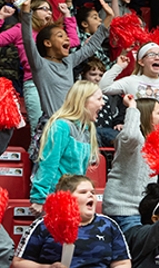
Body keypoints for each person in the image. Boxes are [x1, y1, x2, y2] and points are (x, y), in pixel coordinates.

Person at [0, 0, 80, 135]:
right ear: (32, 12)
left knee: (62, 128)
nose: (49, 12)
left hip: (56, 84)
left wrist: (67, 15)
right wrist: (0, 17)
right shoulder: (19, 29)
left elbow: (74, 41)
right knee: (39, 131)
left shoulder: (52, 32)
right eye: (44, 9)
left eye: (50, 9)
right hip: (33, 84)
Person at [20, 0, 112, 119]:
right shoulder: (40, 64)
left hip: (71, 122)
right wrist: (26, 10)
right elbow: (27, 40)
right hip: (53, 124)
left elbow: (90, 47)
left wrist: (109, 17)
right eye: (60, 36)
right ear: (48, 43)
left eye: (66, 36)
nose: (67, 38)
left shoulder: (68, 61)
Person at [13, 174, 131, 268]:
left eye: (93, 192)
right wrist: (47, 267)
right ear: (66, 197)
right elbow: (18, 263)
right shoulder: (44, 224)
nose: (91, 195)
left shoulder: (109, 225)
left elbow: (122, 263)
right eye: (83, 192)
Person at [28, 81, 104, 216]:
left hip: (74, 201)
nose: (102, 103)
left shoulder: (87, 130)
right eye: (98, 99)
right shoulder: (61, 126)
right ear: (83, 101)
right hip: (55, 200)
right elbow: (48, 163)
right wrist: (40, 197)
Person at [102, 93, 159, 232]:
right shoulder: (133, 141)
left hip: (138, 211)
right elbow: (130, 135)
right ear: (146, 116)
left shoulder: (151, 142)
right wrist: (132, 107)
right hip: (122, 210)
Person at [80, 58, 125, 148]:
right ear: (83, 75)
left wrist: (119, 123)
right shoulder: (79, 93)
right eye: (93, 74)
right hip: (87, 130)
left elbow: (119, 114)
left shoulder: (113, 96)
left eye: (101, 75)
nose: (97, 78)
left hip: (109, 131)